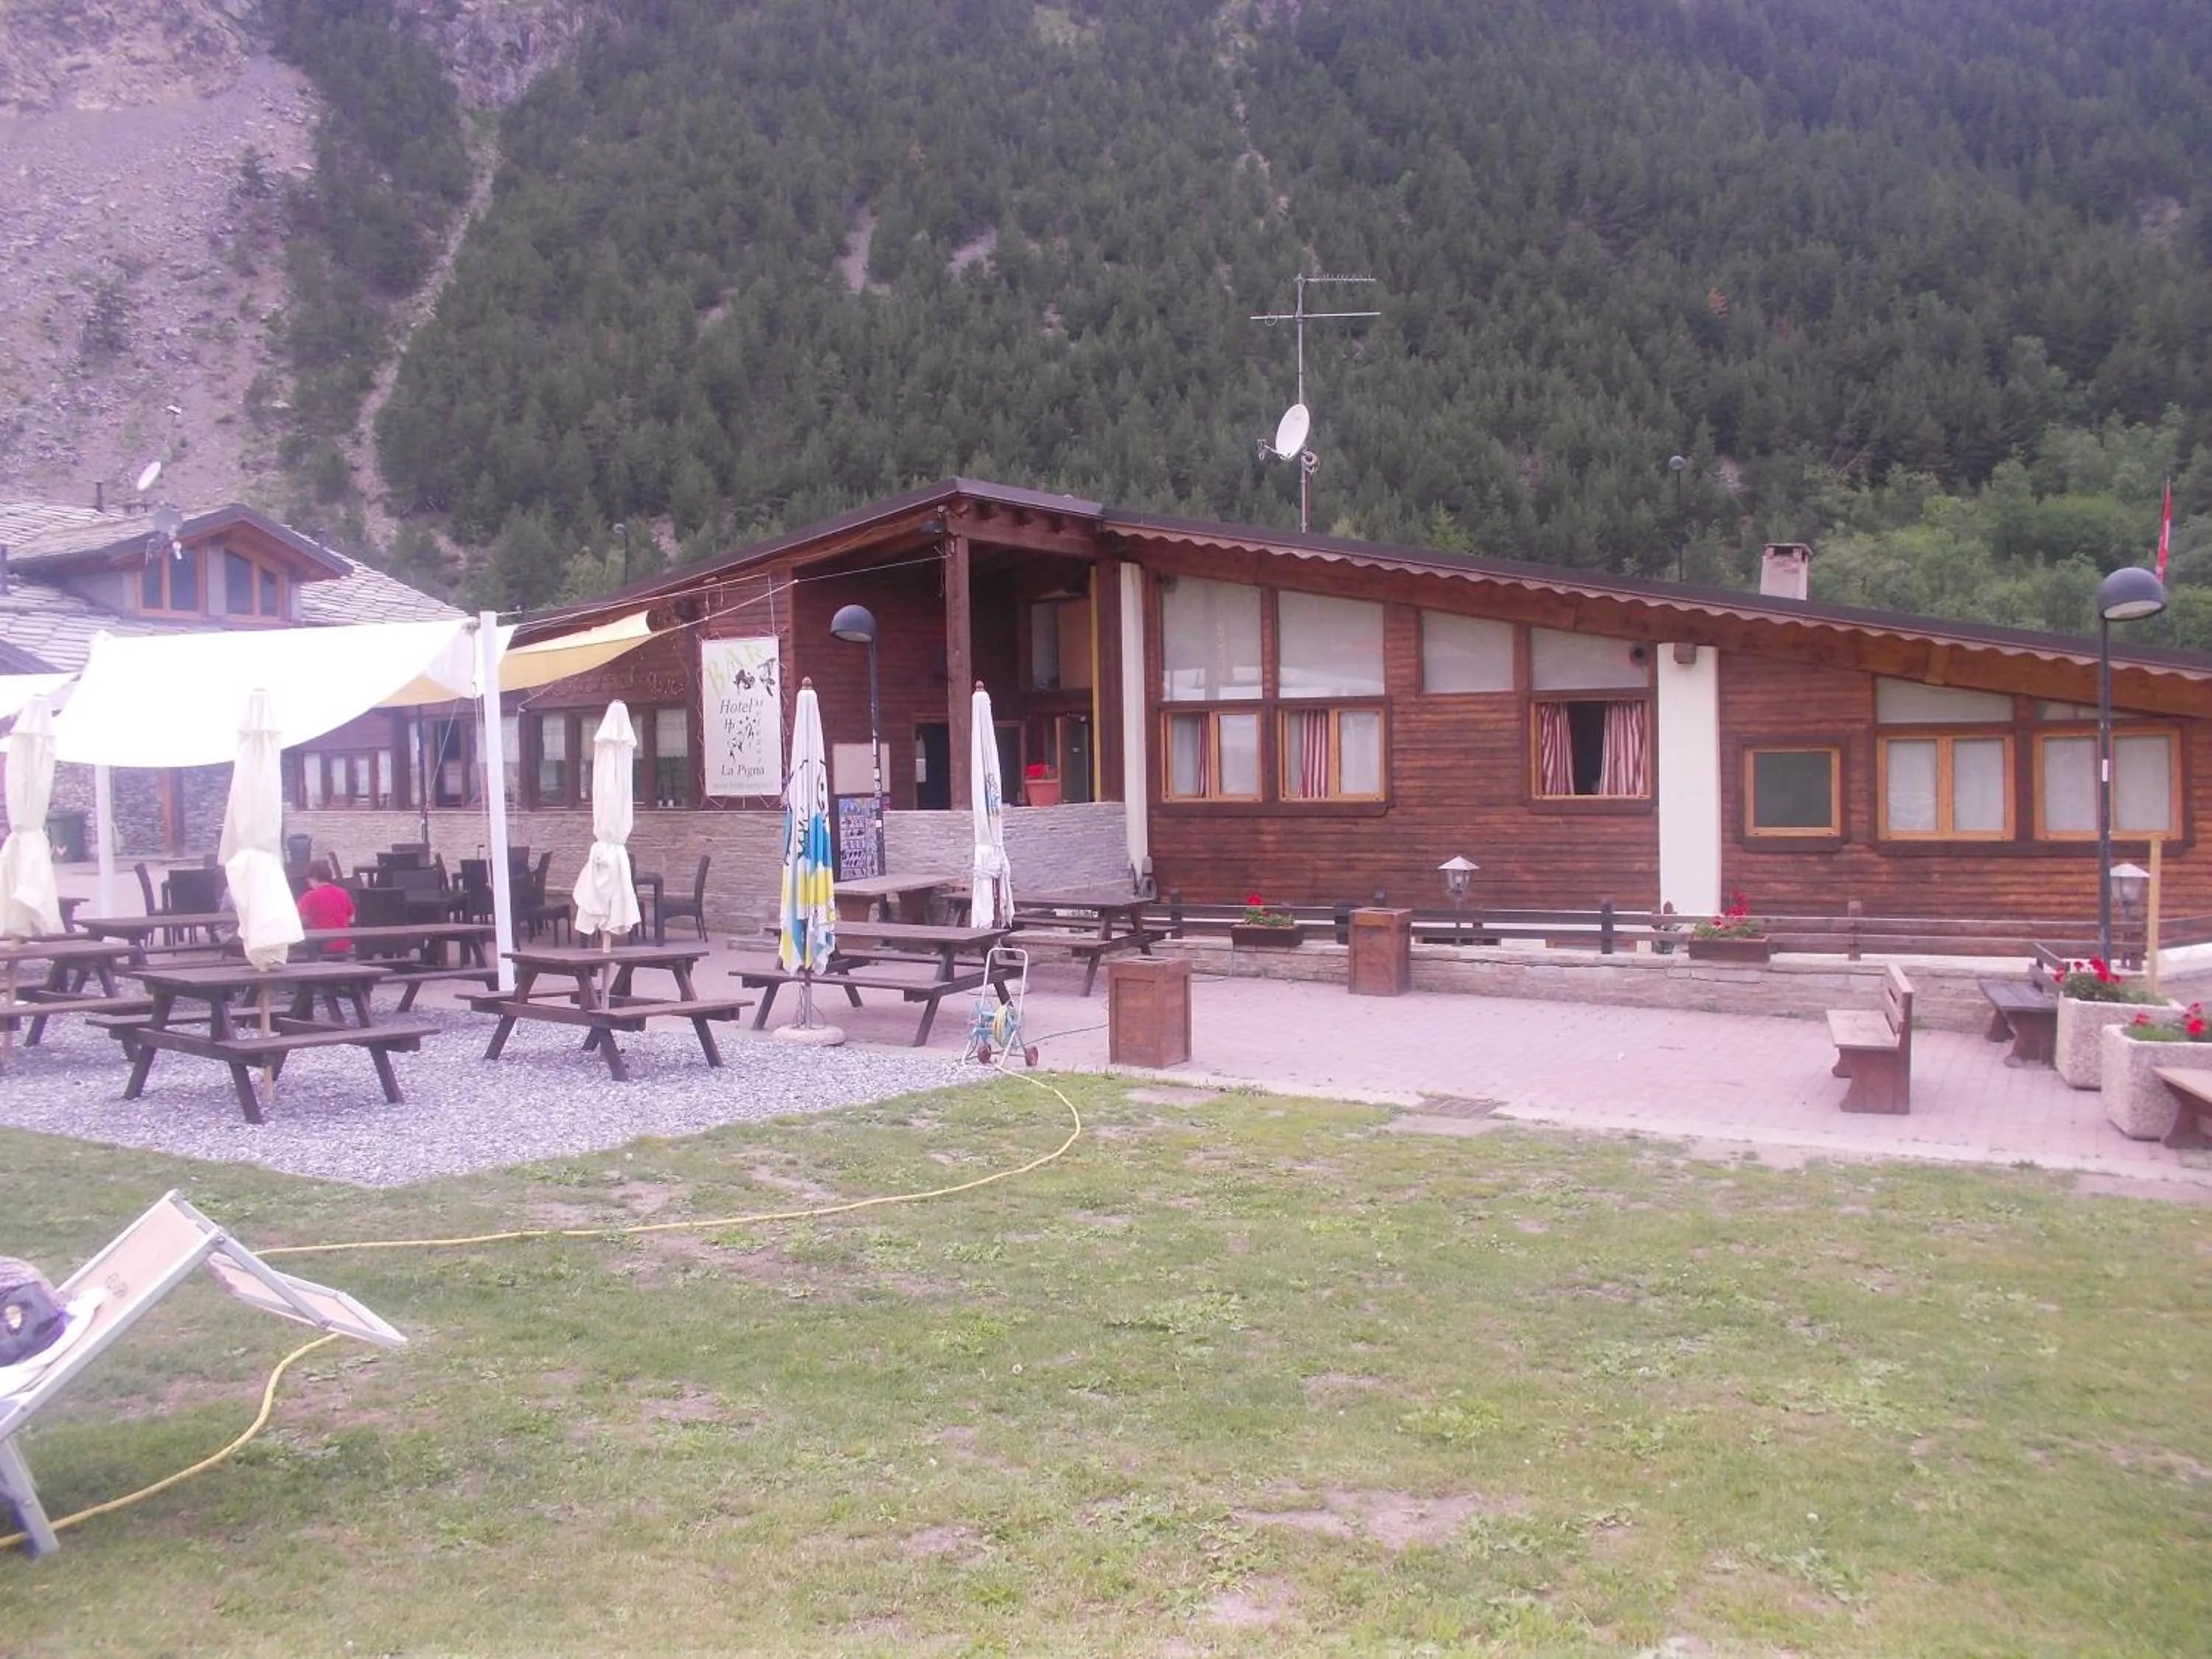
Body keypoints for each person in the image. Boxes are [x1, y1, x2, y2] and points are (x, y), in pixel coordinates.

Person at [296, 859, 354, 953]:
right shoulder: (343, 893)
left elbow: (297, 921)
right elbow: (352, 919)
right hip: (344, 945)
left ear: (312, 878)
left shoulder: (310, 896)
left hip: (322, 945)